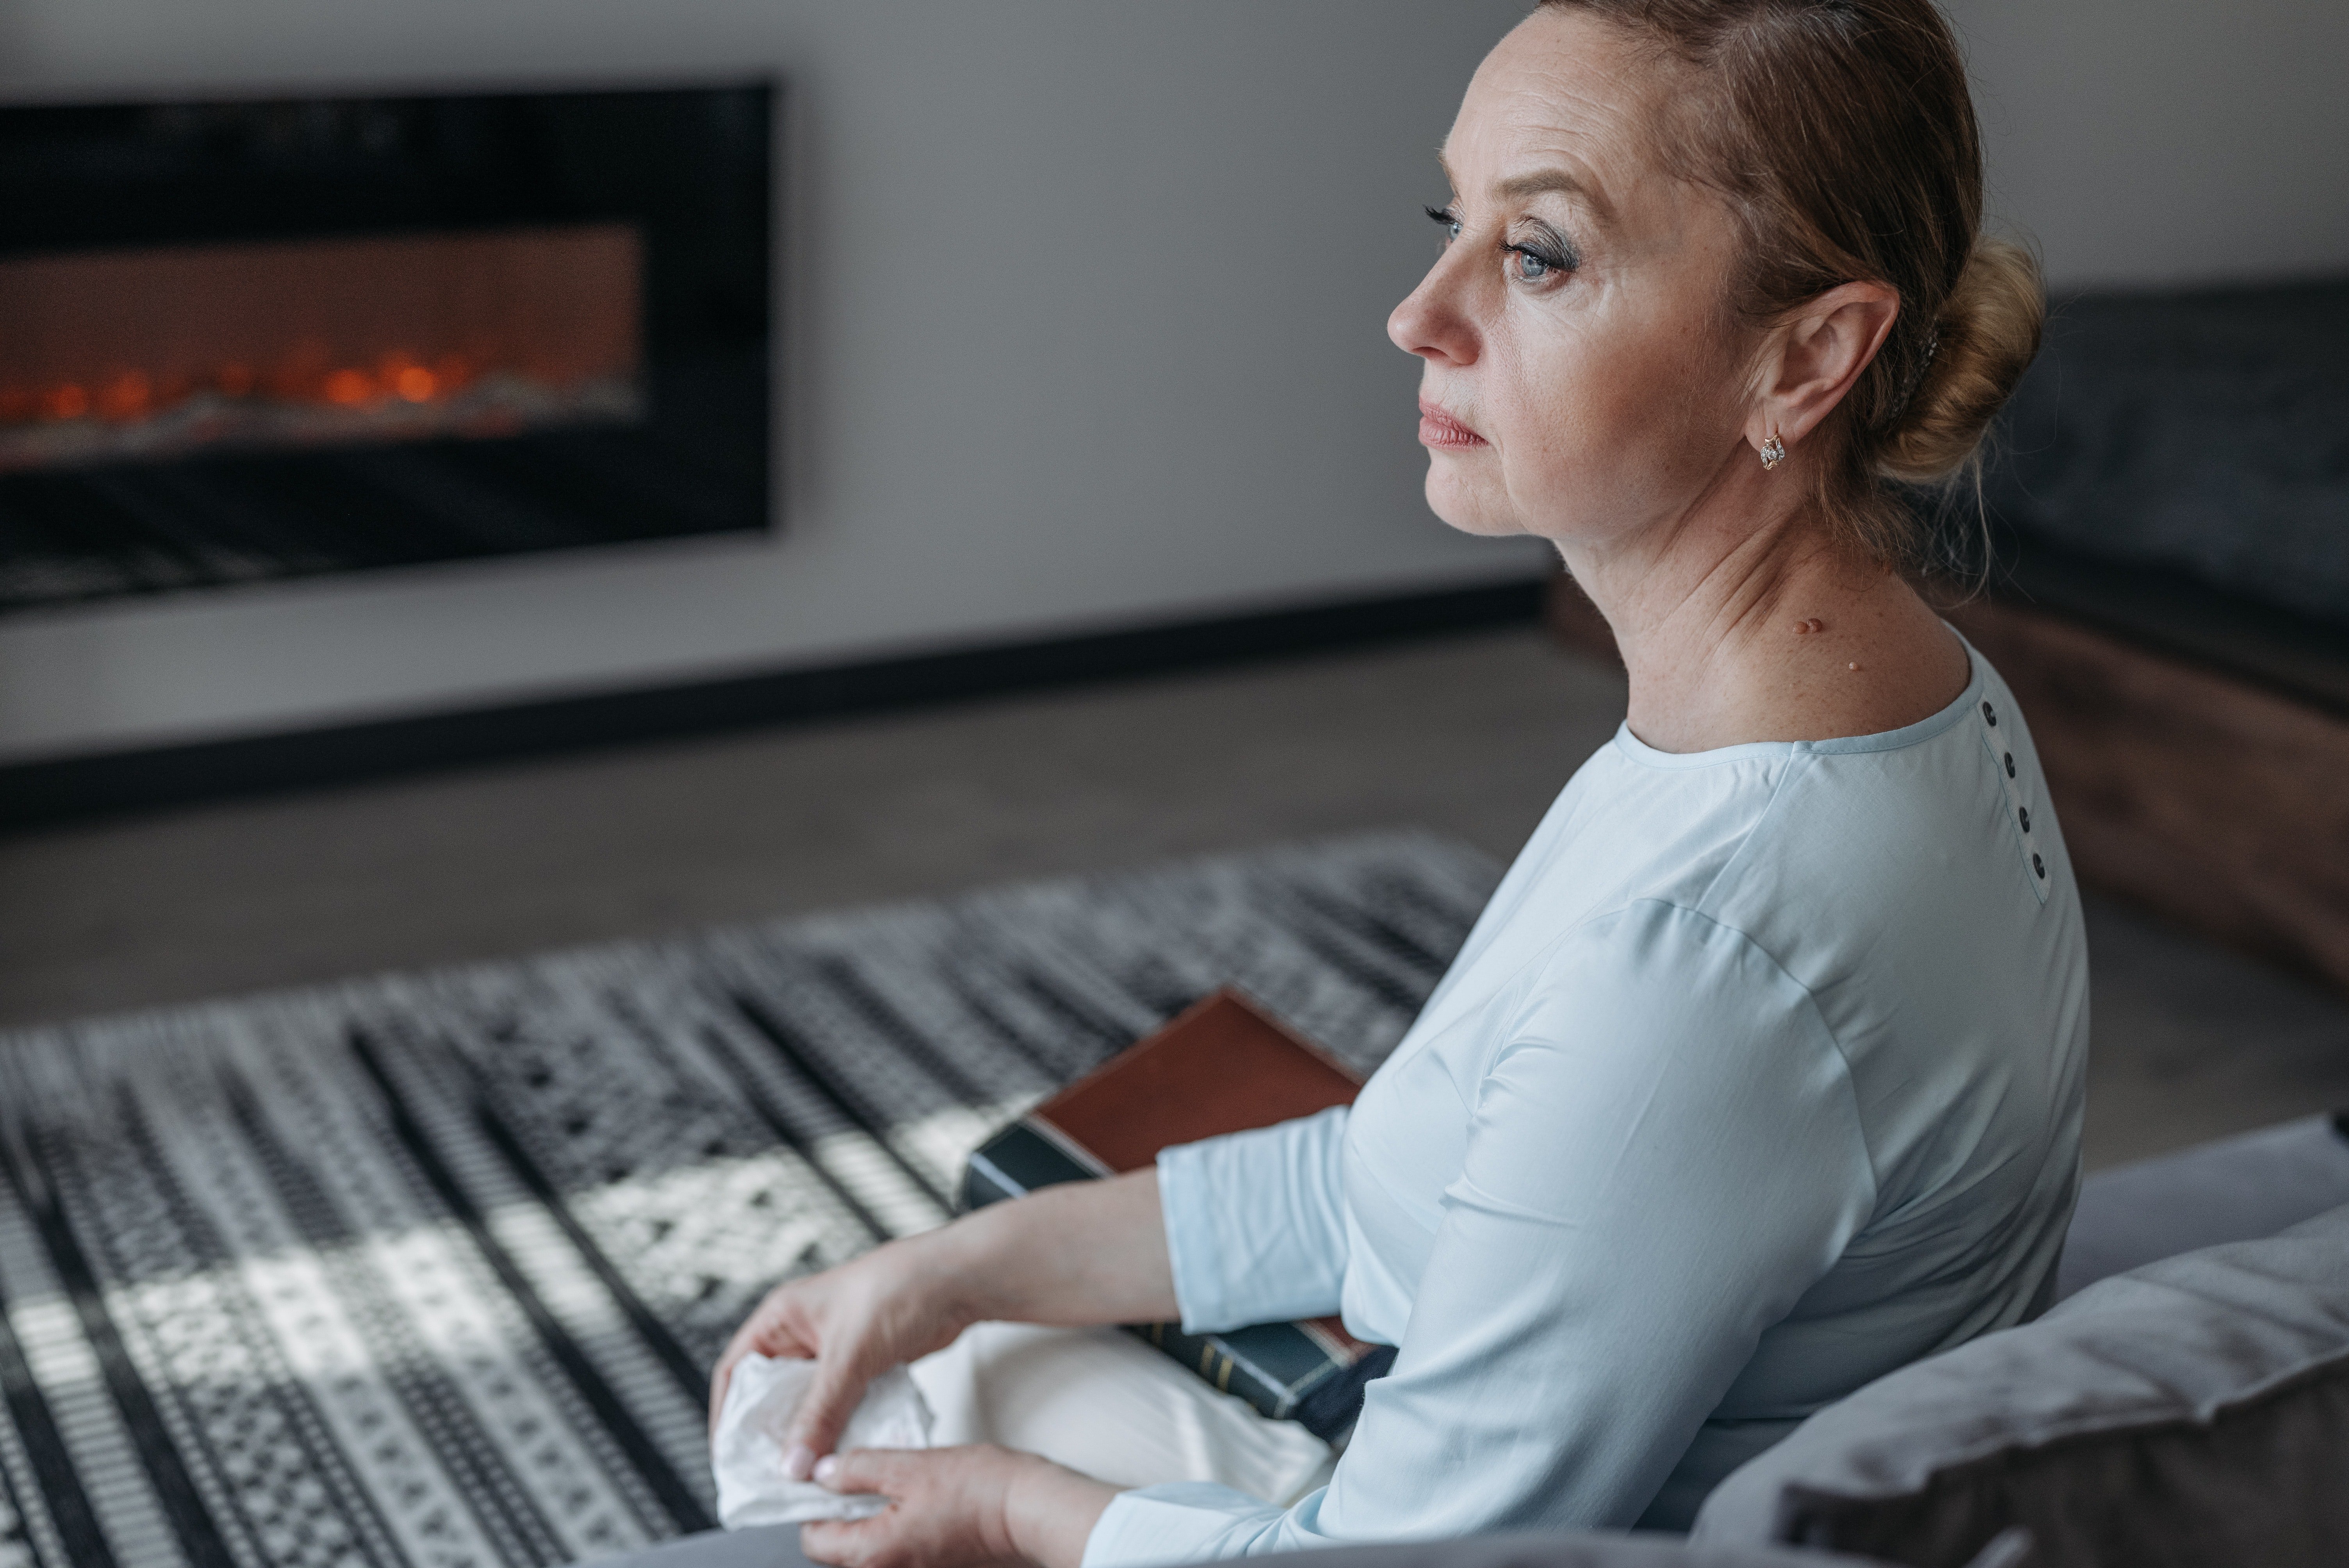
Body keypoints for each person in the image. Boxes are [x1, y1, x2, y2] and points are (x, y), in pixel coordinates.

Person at [710, 2, 2086, 1564]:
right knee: (936, 1340)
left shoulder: (1716, 938)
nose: (1418, 313)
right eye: (1457, 219)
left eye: (1541, 254)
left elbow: (1395, 1560)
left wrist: (1016, 1512)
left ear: (1809, 354)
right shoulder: (1891, 701)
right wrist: (954, 1263)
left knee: (847, 1443)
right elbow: (1395, 1181)